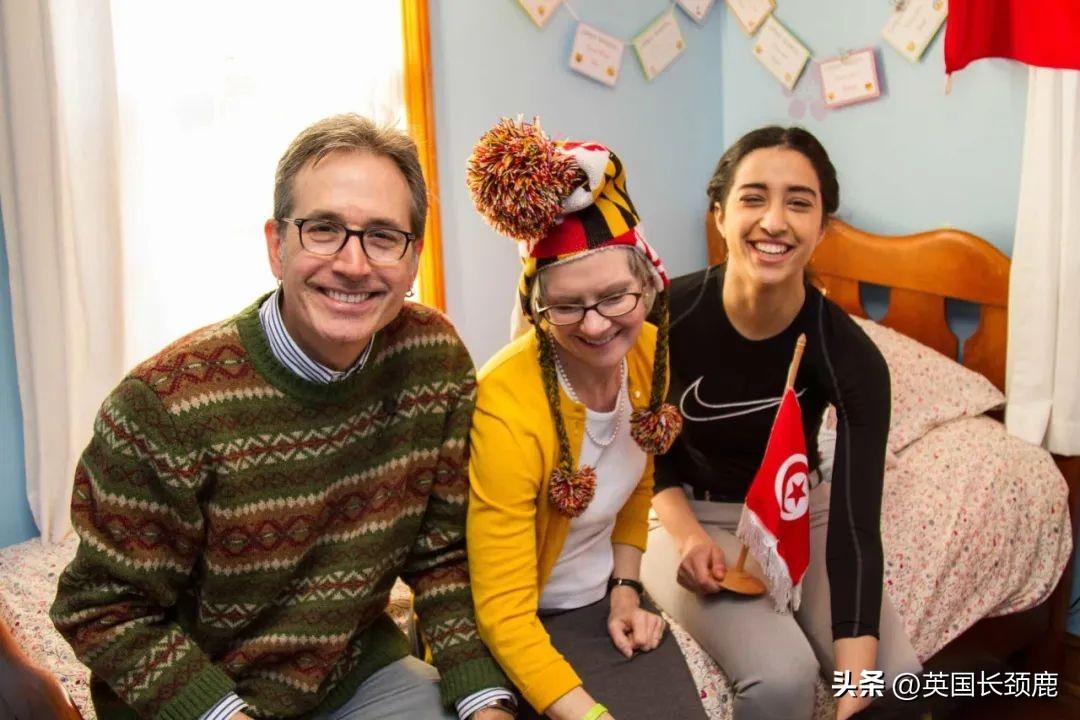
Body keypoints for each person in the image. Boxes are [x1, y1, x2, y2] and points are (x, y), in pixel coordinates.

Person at [50, 114, 515, 720]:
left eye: (383, 236)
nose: (353, 264)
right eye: (323, 230)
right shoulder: (163, 406)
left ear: (414, 257)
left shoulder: (433, 357)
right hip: (199, 699)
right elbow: (102, 608)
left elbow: (442, 555)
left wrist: (484, 701)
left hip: (352, 675)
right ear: (277, 246)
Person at [640, 126, 923, 720]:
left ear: (822, 228)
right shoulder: (665, 317)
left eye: (799, 202)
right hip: (686, 509)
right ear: (720, 215)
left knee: (894, 683)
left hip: (794, 510)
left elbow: (855, 526)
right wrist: (687, 537)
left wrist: (857, 686)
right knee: (782, 678)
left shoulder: (850, 356)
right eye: (753, 198)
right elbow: (641, 450)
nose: (774, 221)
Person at [464, 119, 705, 720]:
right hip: (523, 620)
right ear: (536, 306)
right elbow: (502, 612)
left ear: (648, 283)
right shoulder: (505, 405)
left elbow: (638, 482)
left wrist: (625, 589)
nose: (596, 325)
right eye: (567, 306)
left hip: (600, 599)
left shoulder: (648, 353)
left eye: (615, 297)